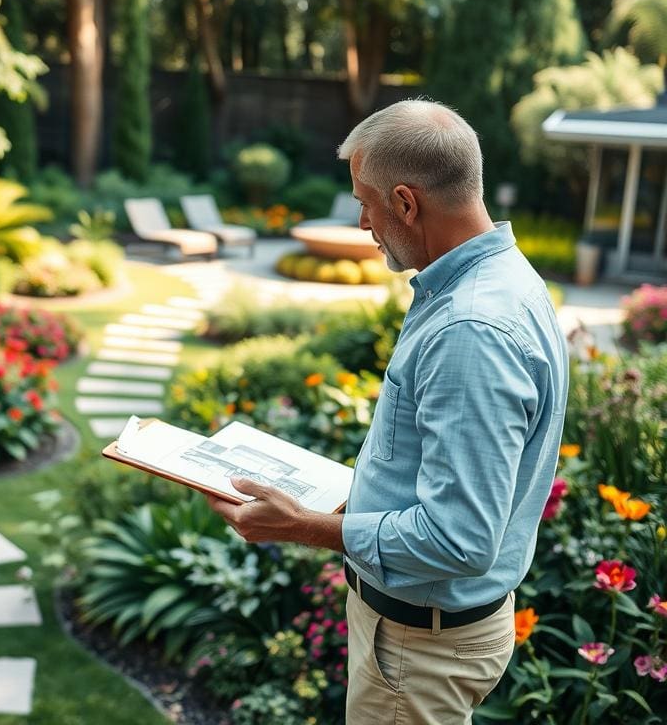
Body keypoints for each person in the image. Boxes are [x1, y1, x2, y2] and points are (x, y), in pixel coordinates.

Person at [205, 99, 569, 724]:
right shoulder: (494, 278)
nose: (363, 222)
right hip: (425, 637)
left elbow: (460, 539)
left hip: (419, 649)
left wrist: (304, 527)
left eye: (366, 202)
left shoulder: (472, 329)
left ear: (406, 202)